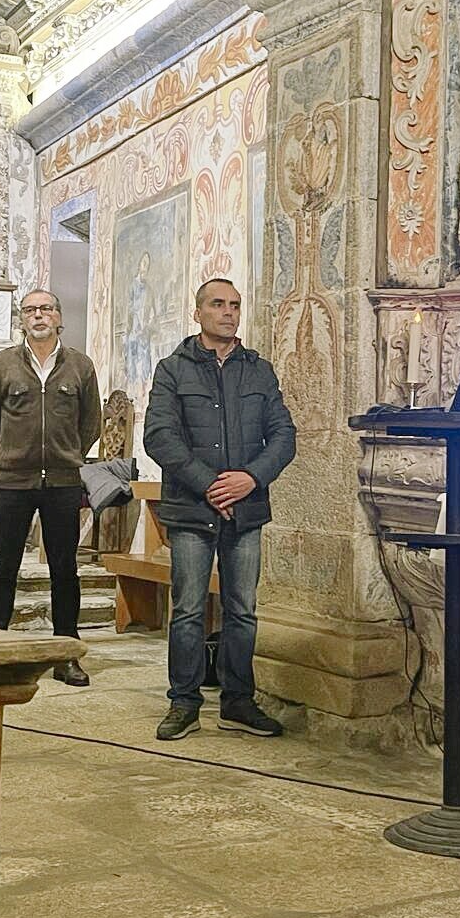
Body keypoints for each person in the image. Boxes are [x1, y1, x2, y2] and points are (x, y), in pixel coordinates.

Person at [143, 278, 295, 740]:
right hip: (193, 508)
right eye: (217, 304)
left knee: (242, 609)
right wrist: (209, 483)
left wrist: (250, 478)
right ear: (198, 313)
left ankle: (238, 702)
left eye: (234, 305)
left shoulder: (259, 371)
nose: (228, 312)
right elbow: (160, 436)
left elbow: (283, 435)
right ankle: (184, 702)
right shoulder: (173, 369)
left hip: (246, 510)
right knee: (189, 608)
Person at [0, 289, 100, 686]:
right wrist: (11, 453)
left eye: (46, 308)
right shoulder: (2, 364)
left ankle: (66, 655)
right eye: (30, 310)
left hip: (63, 483)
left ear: (59, 317)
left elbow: (91, 423)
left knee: (65, 570)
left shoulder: (80, 366)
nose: (38, 315)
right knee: (3, 568)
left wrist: (67, 454)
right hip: (13, 482)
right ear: (21, 319)